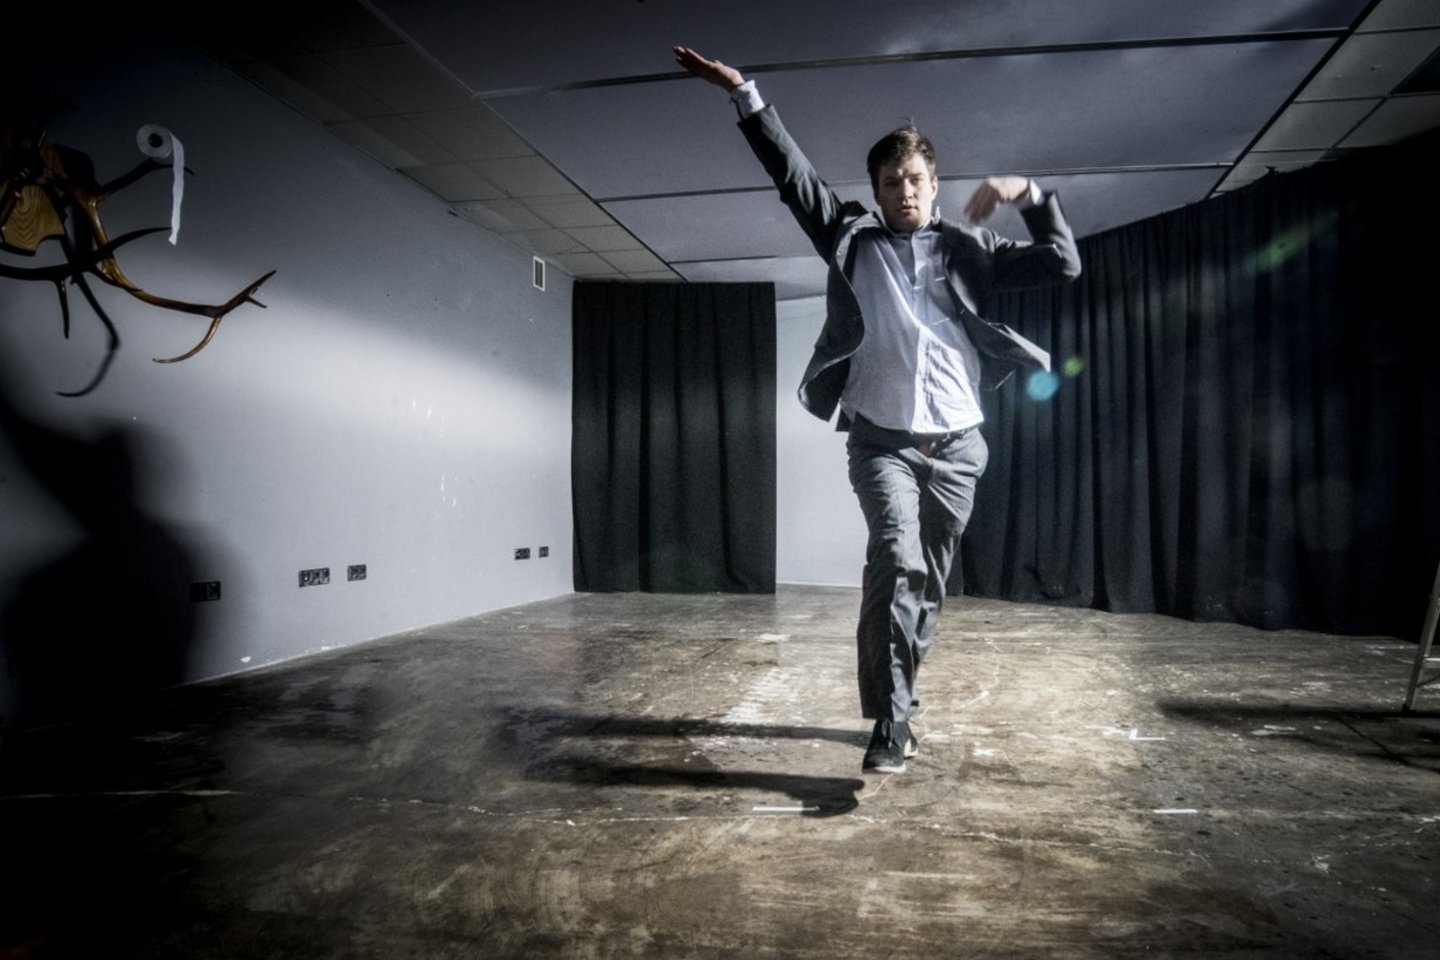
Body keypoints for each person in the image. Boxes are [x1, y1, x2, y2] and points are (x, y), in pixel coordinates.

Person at [674, 46, 1081, 774]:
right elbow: (794, 179)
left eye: (916, 179)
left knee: (927, 587)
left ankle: (902, 695)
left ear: (934, 184)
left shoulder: (973, 249)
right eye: (892, 182)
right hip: (881, 443)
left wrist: (1027, 192)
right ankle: (890, 724)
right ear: (876, 191)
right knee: (895, 562)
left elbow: (1064, 264)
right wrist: (744, 93)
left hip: (959, 447)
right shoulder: (851, 240)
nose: (905, 191)